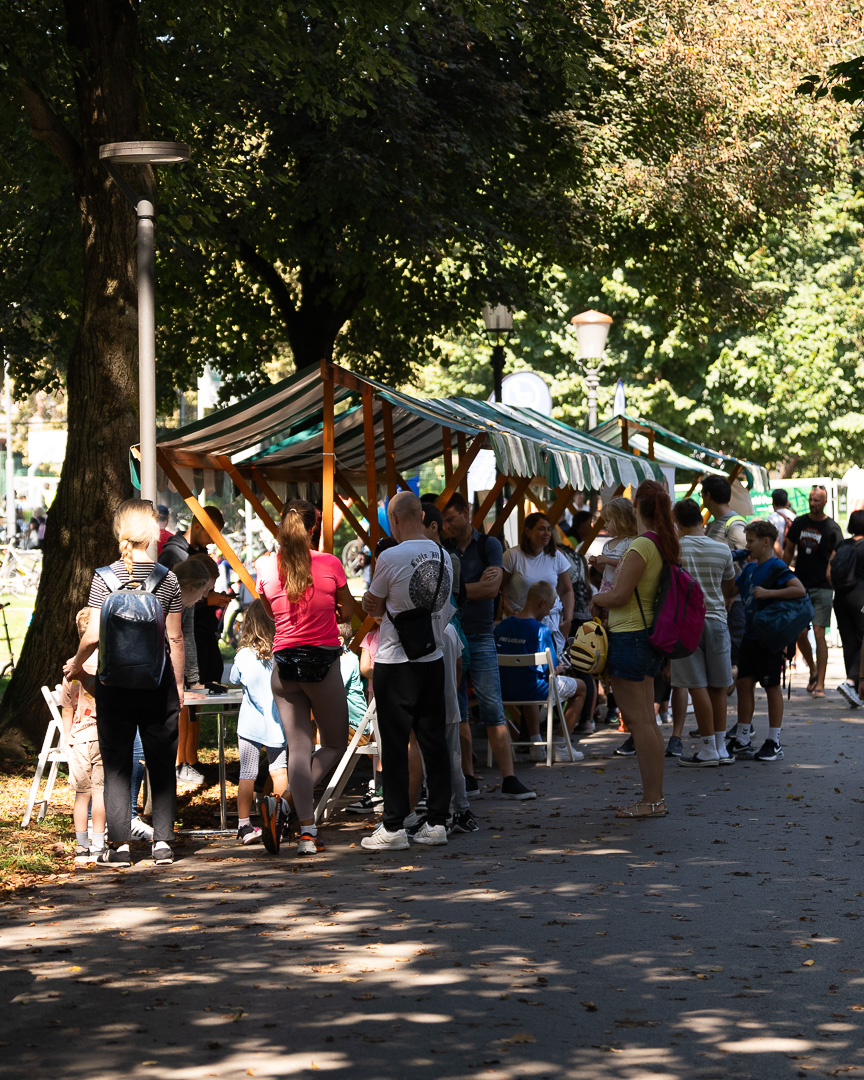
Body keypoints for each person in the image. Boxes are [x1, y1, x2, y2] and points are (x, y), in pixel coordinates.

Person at [63, 499, 184, 866]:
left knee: (115, 762)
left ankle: (119, 847)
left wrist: (76, 663)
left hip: (114, 683)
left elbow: (94, 635)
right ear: (151, 533)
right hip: (157, 682)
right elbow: (176, 639)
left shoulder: (104, 577)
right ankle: (162, 842)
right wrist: (178, 686)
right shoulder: (168, 578)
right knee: (160, 760)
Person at [256, 499, 352, 856]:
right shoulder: (329, 564)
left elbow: (269, 612)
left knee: (297, 748)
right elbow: (348, 611)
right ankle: (284, 807)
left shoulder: (266, 566)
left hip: (284, 668)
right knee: (333, 744)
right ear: (314, 527)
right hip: (322, 666)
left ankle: (308, 831)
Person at [360, 491, 453, 850]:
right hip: (433, 656)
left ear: (395, 520)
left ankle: (394, 826)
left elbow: (375, 604)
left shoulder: (390, 556)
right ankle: (438, 822)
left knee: (395, 745)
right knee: (434, 742)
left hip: (395, 661)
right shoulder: (444, 555)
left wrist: (375, 605)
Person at [589, 480, 677, 819]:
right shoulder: (658, 541)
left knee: (639, 722)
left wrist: (597, 599)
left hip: (630, 636)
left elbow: (619, 596)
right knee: (647, 721)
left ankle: (652, 799)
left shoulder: (642, 545)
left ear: (637, 504)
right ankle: (654, 798)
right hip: (645, 636)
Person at [441, 493, 536, 801]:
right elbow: (455, 592)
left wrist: (457, 591)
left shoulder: (489, 545)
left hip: (480, 635)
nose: (447, 526)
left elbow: (492, 589)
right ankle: (468, 776)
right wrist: (472, 589)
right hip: (452, 635)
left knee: (493, 707)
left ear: (466, 513)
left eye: (451, 518)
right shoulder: (444, 548)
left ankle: (509, 778)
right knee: (458, 711)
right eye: (443, 521)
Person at [728, 520, 806, 761]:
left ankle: (774, 740)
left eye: (750, 541)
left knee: (771, 686)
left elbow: (799, 589)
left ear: (765, 542)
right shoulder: (750, 568)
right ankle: (742, 737)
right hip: (750, 637)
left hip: (769, 637)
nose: (747, 546)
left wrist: (769, 592)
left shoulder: (776, 566)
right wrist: (727, 562)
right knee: (744, 683)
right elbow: (731, 590)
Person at [668, 498, 738, 767]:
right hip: (718, 620)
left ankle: (707, 747)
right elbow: (729, 587)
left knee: (696, 684)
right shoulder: (722, 549)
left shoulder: (675, 549)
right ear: (701, 519)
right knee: (719, 685)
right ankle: (720, 747)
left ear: (677, 522)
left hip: (687, 624)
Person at [495, 581, 587, 761]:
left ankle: (536, 744)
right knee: (582, 687)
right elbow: (550, 669)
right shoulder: (541, 630)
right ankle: (561, 744)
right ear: (543, 603)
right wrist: (559, 668)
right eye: (550, 608)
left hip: (504, 690)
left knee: (527, 677)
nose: (548, 613)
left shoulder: (501, 627)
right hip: (535, 690)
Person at [228, 600, 288, 845]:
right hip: (277, 723)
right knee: (279, 772)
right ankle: (277, 821)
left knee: (248, 773)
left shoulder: (243, 655)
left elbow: (234, 679)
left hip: (250, 725)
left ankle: (243, 826)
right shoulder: (281, 653)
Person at [782, 485, 843, 698]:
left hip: (823, 588)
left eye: (817, 500)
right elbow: (789, 550)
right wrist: (781, 576)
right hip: (800, 586)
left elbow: (837, 561)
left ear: (825, 502)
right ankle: (813, 669)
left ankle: (821, 683)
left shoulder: (833, 529)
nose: (813, 503)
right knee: (799, 633)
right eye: (811, 499)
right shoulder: (799, 523)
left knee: (819, 634)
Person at [59, 608, 105, 861]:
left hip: (77, 738)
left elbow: (67, 709)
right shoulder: (108, 666)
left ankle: (81, 845)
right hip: (103, 737)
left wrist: (67, 740)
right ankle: (99, 843)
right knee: (100, 792)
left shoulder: (70, 668)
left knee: (81, 795)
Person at [501, 512, 574, 658]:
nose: (546, 533)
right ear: (528, 531)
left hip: (550, 622)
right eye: (541, 529)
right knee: (522, 663)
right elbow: (499, 589)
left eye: (548, 529)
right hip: (519, 621)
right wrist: (510, 612)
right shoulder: (513, 555)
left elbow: (567, 590)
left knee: (550, 668)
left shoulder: (556, 556)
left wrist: (568, 620)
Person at [172, 558, 216, 788]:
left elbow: (185, 635)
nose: (203, 599)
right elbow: (178, 638)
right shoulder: (171, 597)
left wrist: (193, 679)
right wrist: (183, 682)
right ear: (191, 587)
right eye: (203, 592)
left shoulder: (184, 602)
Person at [828, 509, 864, 708]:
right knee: (862, 641)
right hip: (861, 598)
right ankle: (852, 682)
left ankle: (854, 689)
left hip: (841, 598)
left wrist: (841, 590)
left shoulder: (842, 544)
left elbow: (828, 573)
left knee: (849, 643)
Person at [158, 505, 226, 570]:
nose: (213, 541)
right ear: (197, 527)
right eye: (211, 535)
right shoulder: (172, 555)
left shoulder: (202, 553)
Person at [701, 476, 747, 553]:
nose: (701, 497)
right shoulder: (713, 523)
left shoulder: (736, 525)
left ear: (708, 496)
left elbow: (750, 556)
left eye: (701, 494)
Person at [768, 489, 796, 557]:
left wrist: (785, 562)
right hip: (793, 560)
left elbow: (775, 543)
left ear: (773, 503)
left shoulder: (771, 518)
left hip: (778, 562)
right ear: (787, 502)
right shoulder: (795, 517)